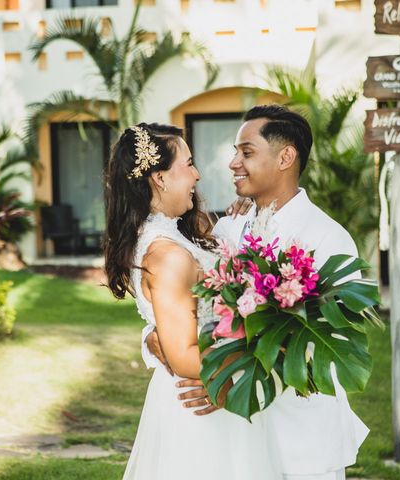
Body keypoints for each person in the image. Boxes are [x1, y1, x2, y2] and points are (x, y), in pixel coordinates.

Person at [144, 105, 369, 480]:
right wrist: (152, 337)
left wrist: (229, 384)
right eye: (236, 152)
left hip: (301, 437)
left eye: (246, 152)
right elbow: (184, 302)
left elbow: (329, 347)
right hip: (237, 444)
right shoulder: (227, 231)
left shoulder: (328, 239)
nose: (233, 163)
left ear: (285, 157)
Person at [104, 123, 281, 480]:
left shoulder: (174, 233)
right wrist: (251, 358)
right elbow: (184, 355)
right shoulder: (167, 253)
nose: (197, 175)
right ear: (159, 178)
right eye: (188, 164)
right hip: (201, 404)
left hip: (209, 393)